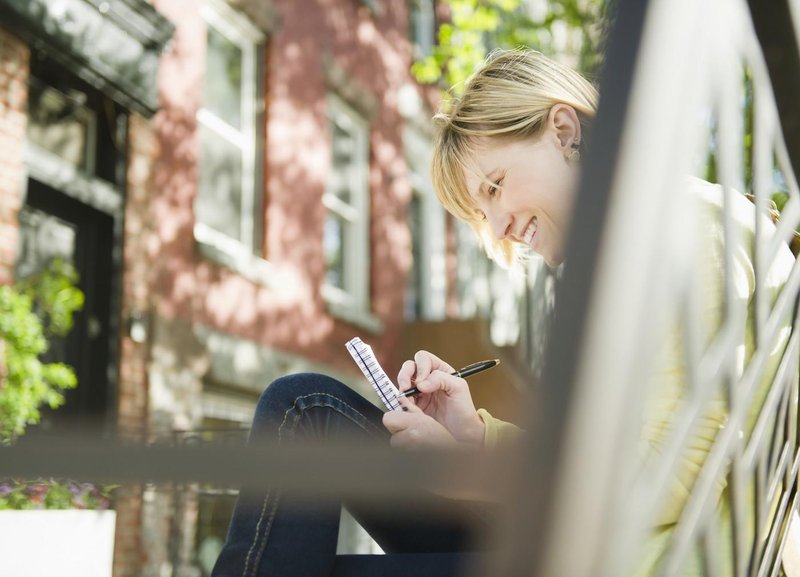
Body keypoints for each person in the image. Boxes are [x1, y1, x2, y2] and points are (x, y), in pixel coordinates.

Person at [211, 48, 796, 577]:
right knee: (306, 407)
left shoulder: (686, 232)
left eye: (493, 188)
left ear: (564, 131)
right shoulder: (645, 246)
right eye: (480, 212)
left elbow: (661, 482)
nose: (497, 230)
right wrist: (472, 436)